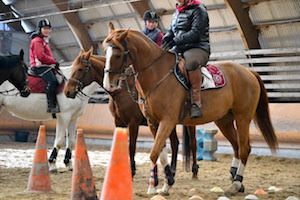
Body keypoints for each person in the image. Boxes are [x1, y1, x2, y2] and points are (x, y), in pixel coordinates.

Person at [162, 0, 210, 119]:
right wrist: (166, 38)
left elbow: (196, 33)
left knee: (190, 63)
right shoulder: (176, 12)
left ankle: (196, 103)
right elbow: (172, 31)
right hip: (179, 48)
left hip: (198, 47)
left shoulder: (199, 10)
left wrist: (176, 41)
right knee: (162, 61)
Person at [30, 18, 60, 113]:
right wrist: (54, 62)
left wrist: (53, 63)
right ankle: (51, 105)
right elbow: (41, 57)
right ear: (40, 29)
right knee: (53, 81)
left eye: (48, 28)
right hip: (39, 67)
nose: (47, 30)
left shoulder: (43, 40)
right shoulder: (37, 41)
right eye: (45, 28)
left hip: (45, 66)